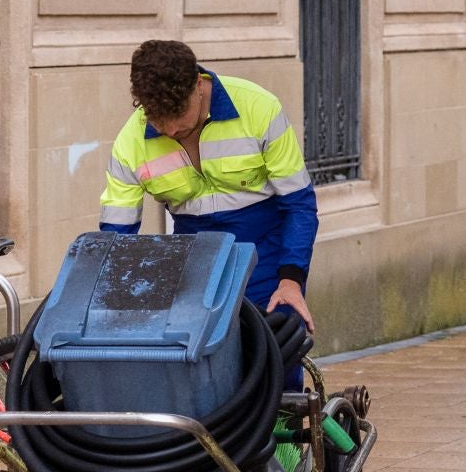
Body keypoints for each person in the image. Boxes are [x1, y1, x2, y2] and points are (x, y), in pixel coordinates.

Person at [99, 40, 319, 329]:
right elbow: (117, 236)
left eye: (178, 114)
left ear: (199, 85)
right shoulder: (130, 143)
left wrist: (291, 280)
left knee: (275, 346)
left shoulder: (259, 108)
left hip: (265, 255)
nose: (171, 129)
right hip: (193, 264)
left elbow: (299, 205)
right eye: (158, 119)